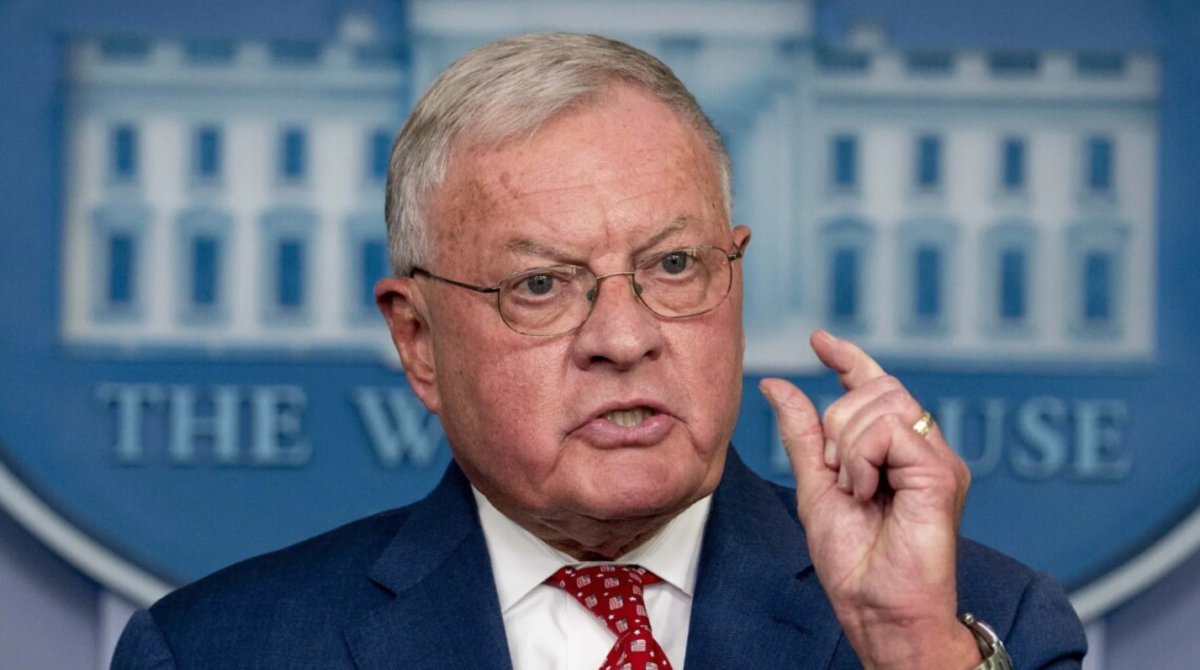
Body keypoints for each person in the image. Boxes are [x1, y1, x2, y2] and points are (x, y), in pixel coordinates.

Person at [110, 32, 1086, 669]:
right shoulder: (218, 652)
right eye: (540, 284)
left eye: (674, 265)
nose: (625, 338)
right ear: (418, 340)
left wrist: (910, 649)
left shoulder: (985, 622)